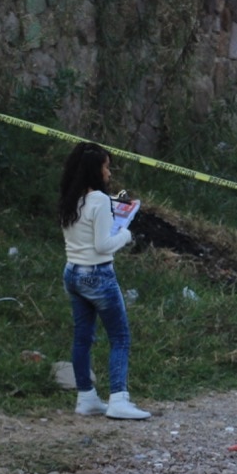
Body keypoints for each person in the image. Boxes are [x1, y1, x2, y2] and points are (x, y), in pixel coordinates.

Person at [58, 142, 150, 420]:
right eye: (106, 167)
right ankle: (118, 399)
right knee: (119, 337)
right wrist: (126, 234)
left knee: (83, 338)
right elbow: (103, 245)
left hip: (73, 272)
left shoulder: (71, 198)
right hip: (98, 275)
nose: (109, 173)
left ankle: (86, 397)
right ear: (95, 171)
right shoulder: (98, 200)